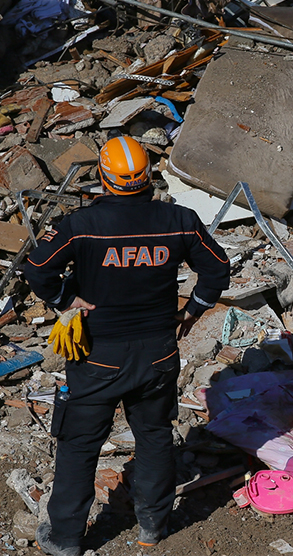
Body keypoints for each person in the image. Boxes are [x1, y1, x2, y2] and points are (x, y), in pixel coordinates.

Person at [25, 136, 231, 556]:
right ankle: (152, 526)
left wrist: (67, 300)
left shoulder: (82, 225)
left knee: (80, 443)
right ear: (148, 177)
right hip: (158, 353)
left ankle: (65, 538)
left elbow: (38, 271)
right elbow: (217, 268)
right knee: (154, 435)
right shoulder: (180, 220)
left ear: (104, 178)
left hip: (97, 355)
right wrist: (192, 310)